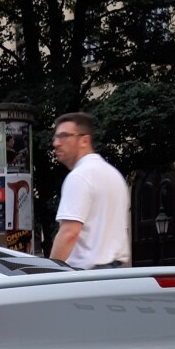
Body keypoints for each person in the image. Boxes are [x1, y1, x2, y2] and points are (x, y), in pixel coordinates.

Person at [48, 112, 131, 269]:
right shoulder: (113, 175)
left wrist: (46, 273)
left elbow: (69, 233)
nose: (56, 143)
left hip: (87, 275)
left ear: (84, 140)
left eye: (64, 136)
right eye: (56, 137)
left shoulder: (79, 176)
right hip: (115, 272)